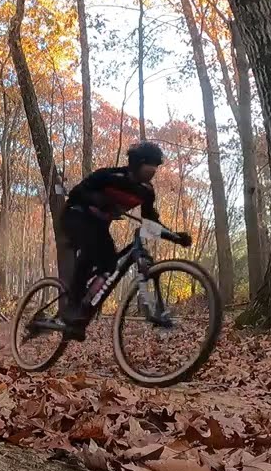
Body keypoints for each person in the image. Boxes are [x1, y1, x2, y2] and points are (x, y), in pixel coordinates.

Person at [56, 141, 191, 339]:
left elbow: (150, 222)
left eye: (156, 165)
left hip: (99, 226)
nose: (153, 170)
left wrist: (175, 237)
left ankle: (82, 312)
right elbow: (77, 193)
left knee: (109, 264)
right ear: (137, 163)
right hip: (75, 216)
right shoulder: (109, 176)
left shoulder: (146, 191)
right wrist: (97, 200)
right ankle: (72, 308)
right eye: (149, 164)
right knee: (94, 250)